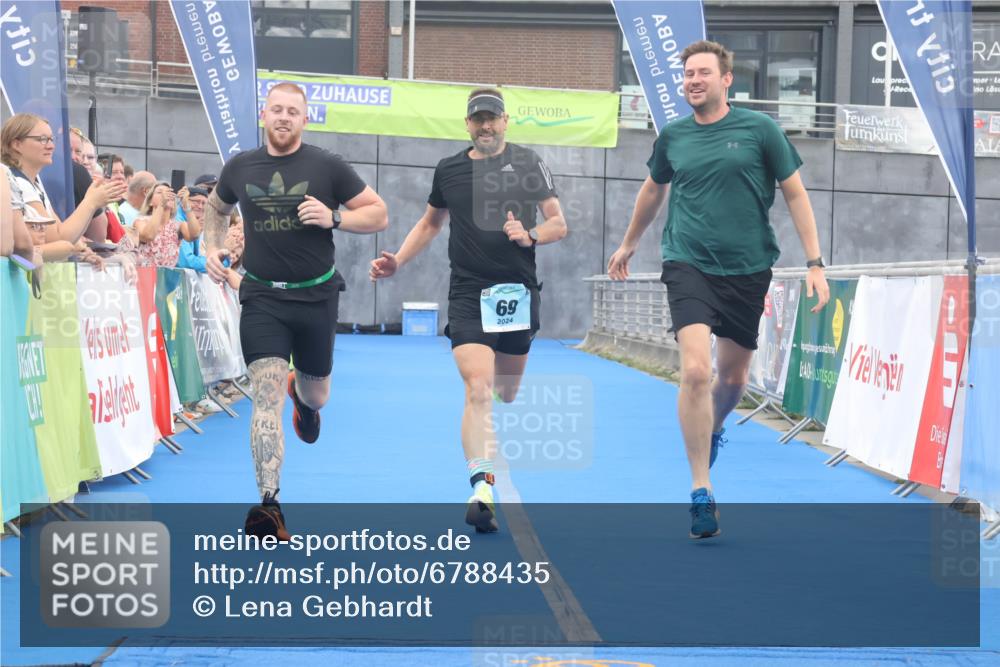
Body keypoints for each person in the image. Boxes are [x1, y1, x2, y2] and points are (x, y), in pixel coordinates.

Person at [607, 40, 830, 539]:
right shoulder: (674, 136)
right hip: (687, 261)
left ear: (726, 80)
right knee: (694, 371)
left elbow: (795, 194)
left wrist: (814, 262)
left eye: (703, 72)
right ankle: (701, 490)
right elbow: (653, 189)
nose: (693, 80)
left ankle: (713, 427)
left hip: (748, 268)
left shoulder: (760, 130)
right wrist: (629, 243)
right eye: (688, 73)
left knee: (732, 380)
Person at [370, 88, 567, 533]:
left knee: (505, 392)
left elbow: (559, 222)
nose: (486, 126)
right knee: (477, 388)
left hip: (516, 291)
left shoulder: (528, 163)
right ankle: (481, 488)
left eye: (492, 118)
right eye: (478, 119)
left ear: (505, 121)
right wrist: (398, 260)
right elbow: (430, 223)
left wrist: (531, 235)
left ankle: (491, 410)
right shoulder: (449, 169)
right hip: (468, 293)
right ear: (467, 125)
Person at [202, 82, 388, 539]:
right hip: (262, 297)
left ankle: (303, 398)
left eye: (293, 111)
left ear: (305, 119)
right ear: (264, 115)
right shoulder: (240, 166)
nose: (284, 117)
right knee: (264, 399)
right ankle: (270, 505)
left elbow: (378, 213)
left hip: (315, 296)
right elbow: (216, 208)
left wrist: (335, 217)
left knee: (317, 394)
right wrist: (213, 247)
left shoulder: (327, 166)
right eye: (277, 109)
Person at [1, 113, 123, 264]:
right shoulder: (18, 182)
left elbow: (62, 235)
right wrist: (91, 202)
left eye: (52, 139)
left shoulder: (33, 183)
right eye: (42, 139)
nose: (51, 146)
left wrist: (79, 250)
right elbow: (58, 238)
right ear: (16, 144)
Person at [134, 182, 200, 268]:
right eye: (160, 192)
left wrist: (186, 204)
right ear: (150, 202)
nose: (165, 195)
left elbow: (194, 235)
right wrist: (161, 205)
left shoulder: (178, 226)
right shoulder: (140, 222)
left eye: (169, 192)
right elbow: (148, 236)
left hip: (168, 275)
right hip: (145, 274)